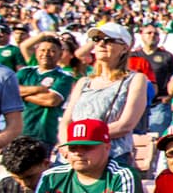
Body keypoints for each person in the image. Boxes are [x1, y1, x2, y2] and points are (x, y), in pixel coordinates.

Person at [22, 119, 145, 193]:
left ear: (107, 147)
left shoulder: (122, 175)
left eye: (87, 147)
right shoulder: (50, 177)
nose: (78, 153)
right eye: (73, 148)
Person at [58, 22, 147, 168]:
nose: (101, 44)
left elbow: (125, 125)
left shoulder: (135, 80)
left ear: (124, 48)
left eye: (108, 40)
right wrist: (66, 144)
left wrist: (83, 139)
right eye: (97, 39)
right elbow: (66, 121)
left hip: (112, 156)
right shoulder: (83, 82)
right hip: (74, 154)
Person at [17, 34, 74, 149]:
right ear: (36, 52)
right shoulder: (25, 72)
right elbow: (9, 90)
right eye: (42, 50)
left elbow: (51, 100)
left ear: (60, 54)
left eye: (52, 51)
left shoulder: (64, 76)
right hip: (18, 132)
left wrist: (22, 94)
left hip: (44, 135)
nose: (46, 54)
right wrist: (39, 89)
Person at [136, 24, 173, 134]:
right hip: (136, 105)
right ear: (141, 35)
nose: (152, 35)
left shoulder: (167, 56)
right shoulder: (133, 56)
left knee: (156, 138)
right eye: (149, 33)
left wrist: (170, 97)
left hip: (159, 105)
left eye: (156, 34)